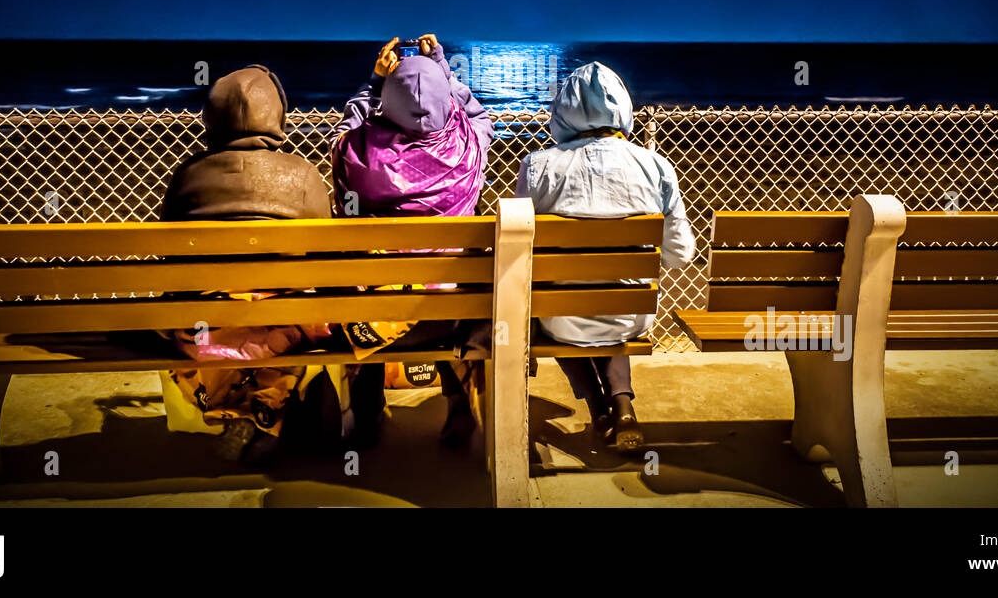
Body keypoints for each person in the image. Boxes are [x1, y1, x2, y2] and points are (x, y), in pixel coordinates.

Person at [159, 64, 346, 465]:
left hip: (203, 333)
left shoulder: (186, 177)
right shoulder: (304, 176)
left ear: (212, 116)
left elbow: (169, 260)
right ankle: (266, 410)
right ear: (275, 116)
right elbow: (327, 258)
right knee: (298, 321)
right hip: (286, 325)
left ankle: (240, 412)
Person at [515, 61, 695, 452]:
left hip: (560, 319)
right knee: (610, 299)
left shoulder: (536, 165)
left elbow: (519, 253)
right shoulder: (655, 166)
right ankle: (622, 404)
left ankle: (599, 407)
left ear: (563, 111)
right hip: (630, 316)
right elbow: (681, 254)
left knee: (557, 306)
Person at [330, 33, 495, 445]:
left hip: (377, 314)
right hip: (451, 313)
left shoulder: (361, 154)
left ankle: (367, 414)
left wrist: (373, 84)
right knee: (440, 282)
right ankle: (458, 406)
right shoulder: (470, 148)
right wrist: (442, 70)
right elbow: (479, 115)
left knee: (374, 282)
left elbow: (345, 133)